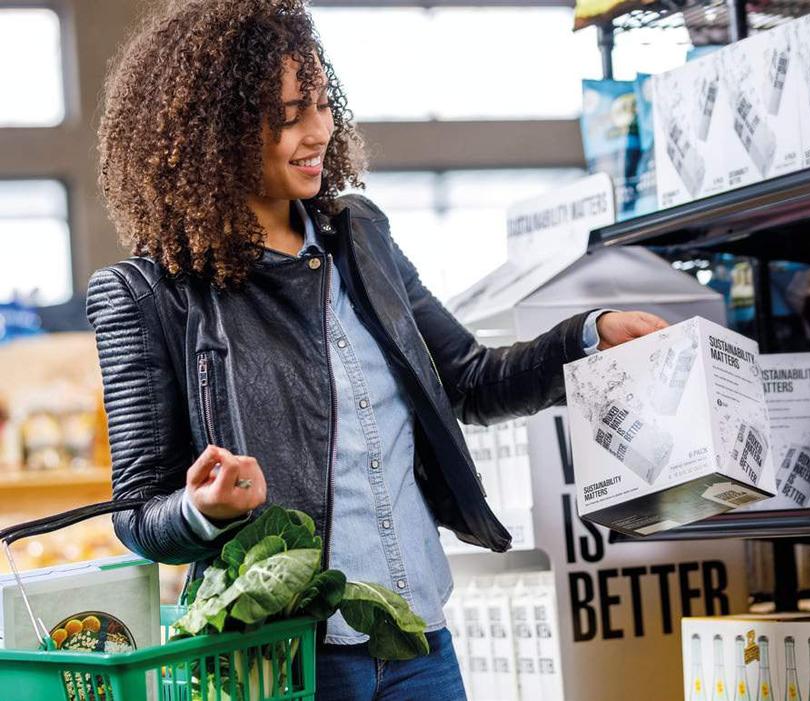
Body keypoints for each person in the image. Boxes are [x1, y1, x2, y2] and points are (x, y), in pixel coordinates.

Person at [89, 1, 667, 699]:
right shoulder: (150, 294)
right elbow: (137, 513)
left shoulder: (360, 238)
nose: (319, 131)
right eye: (290, 114)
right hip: (286, 658)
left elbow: (472, 381)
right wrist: (204, 508)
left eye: (323, 104)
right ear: (220, 133)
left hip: (420, 642)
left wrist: (587, 336)